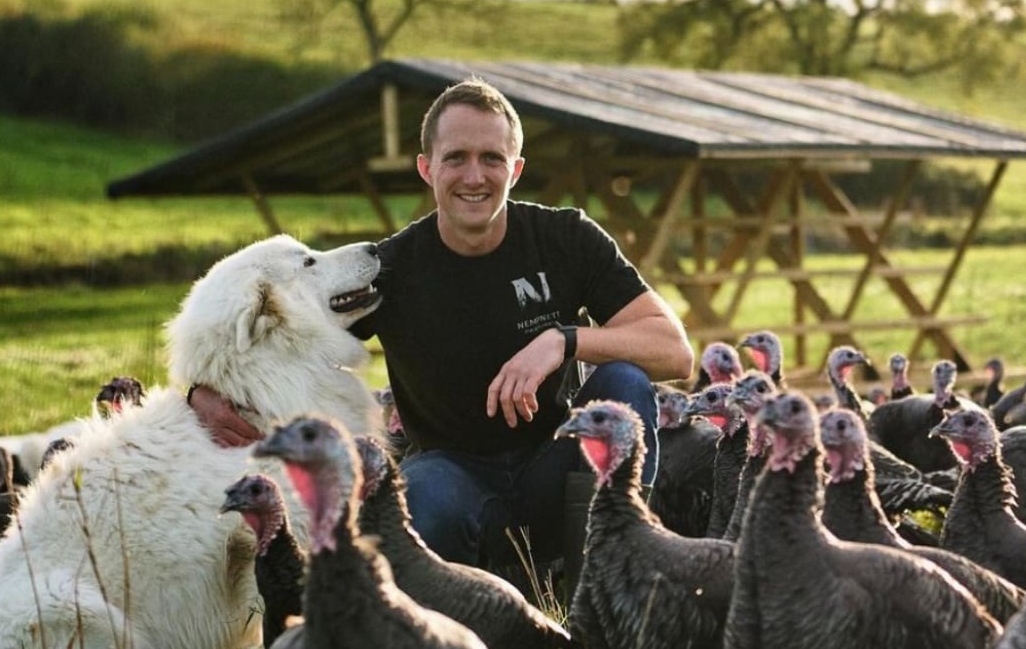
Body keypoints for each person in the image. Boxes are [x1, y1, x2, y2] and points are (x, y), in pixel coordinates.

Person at [193, 77, 693, 570]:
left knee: (622, 384)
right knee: (424, 493)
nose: (474, 176)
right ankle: (468, 595)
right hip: (453, 478)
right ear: (426, 168)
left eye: (491, 158)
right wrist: (201, 393)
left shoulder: (567, 238)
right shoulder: (387, 271)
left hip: (557, 462)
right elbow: (271, 335)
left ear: (515, 169)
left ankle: (602, 584)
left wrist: (562, 341)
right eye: (456, 158)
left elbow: (674, 351)